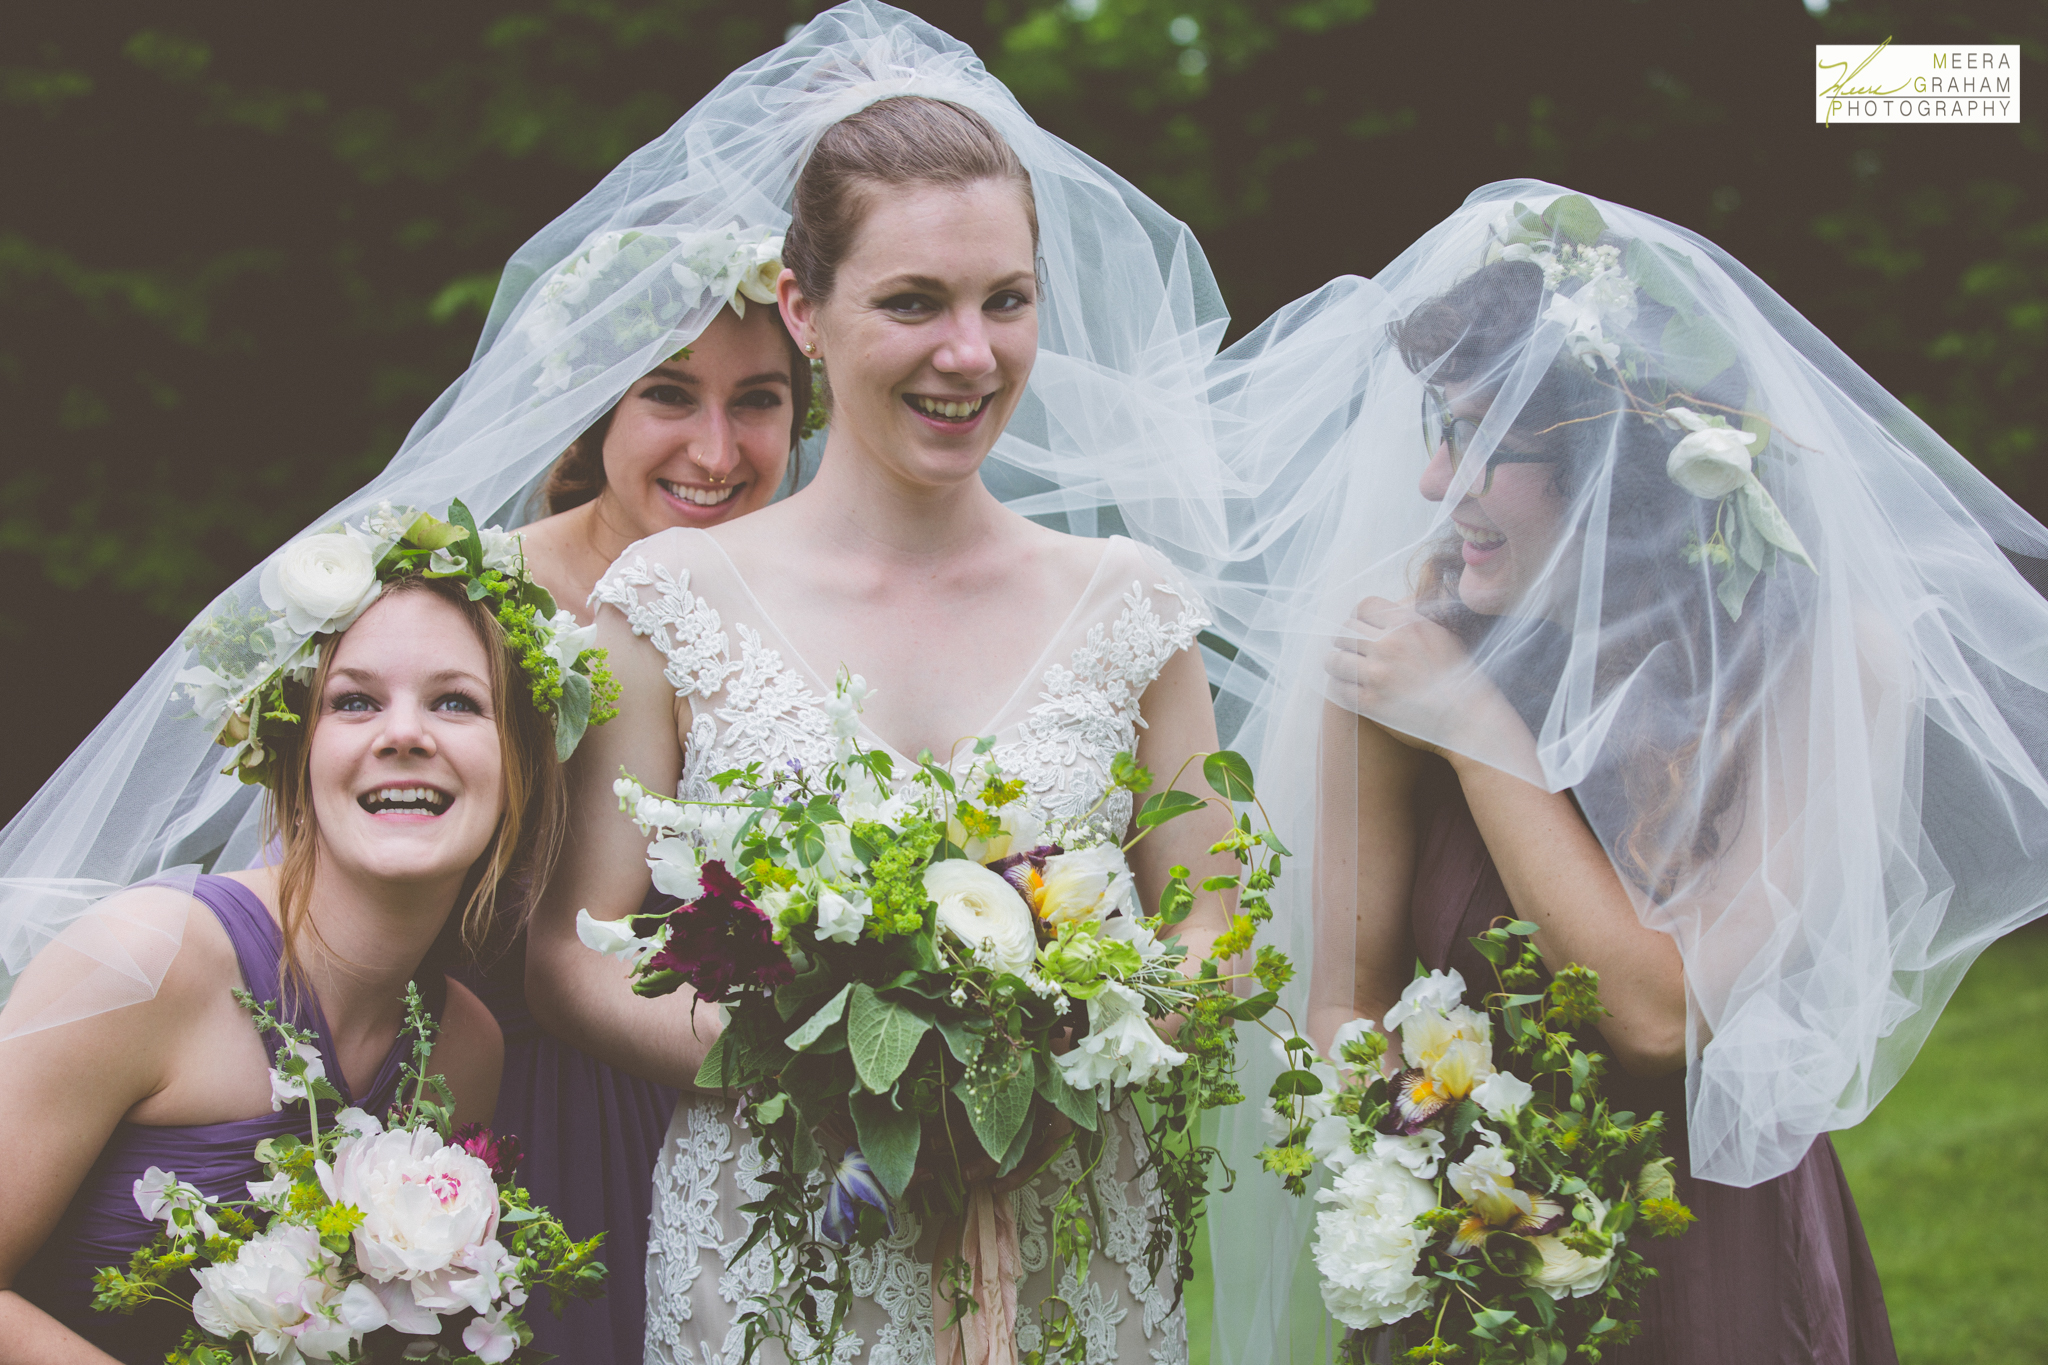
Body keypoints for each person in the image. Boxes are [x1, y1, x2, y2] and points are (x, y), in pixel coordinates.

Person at [1200, 182, 2048, 1363]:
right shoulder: (1393, 651)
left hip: (1714, 1249)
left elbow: (1660, 1016)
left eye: (1484, 444)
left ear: (1614, 454)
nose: (1437, 484)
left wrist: (1473, 725)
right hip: (1469, 1268)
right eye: (1436, 433)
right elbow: (1342, 997)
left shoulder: (1816, 660)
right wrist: (1426, 1157)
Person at [525, 86, 1234, 1364]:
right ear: (803, 310)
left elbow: (1217, 922)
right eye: (913, 303)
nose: (968, 353)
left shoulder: (1131, 606)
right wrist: (829, 1068)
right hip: (775, 1240)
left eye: (1003, 301)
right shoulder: (669, 606)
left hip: (1074, 1234)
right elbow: (575, 949)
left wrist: (1056, 1064)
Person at [0, 560, 570, 1364]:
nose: (404, 733)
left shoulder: (464, 1049)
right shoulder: (145, 960)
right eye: (355, 701)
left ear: (517, 765)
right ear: (295, 752)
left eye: (455, 701)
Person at [470, 258, 814, 1365]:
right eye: (668, 394)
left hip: (768, 1122)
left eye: (758, 399)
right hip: (519, 1116)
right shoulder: (471, 608)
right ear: (590, 409)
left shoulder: (812, 619)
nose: (716, 452)